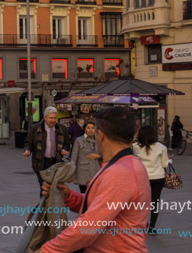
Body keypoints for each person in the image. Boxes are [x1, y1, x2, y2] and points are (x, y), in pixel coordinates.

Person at [37, 106, 150, 253]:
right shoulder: (125, 164)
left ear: (101, 135)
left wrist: (46, 251)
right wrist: (69, 196)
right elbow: (99, 205)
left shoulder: (120, 172)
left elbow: (88, 227)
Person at [23, 106, 71, 194]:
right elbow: (28, 143)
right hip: (41, 162)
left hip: (56, 162)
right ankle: (42, 207)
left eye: (54, 118)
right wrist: (27, 150)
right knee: (44, 188)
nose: (53, 120)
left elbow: (67, 143)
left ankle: (44, 207)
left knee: (54, 189)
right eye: (50, 118)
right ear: (45, 117)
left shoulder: (62, 128)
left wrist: (65, 149)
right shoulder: (35, 128)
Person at [132, 124, 170, 234]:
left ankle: (144, 224)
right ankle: (152, 227)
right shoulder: (161, 147)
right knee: (155, 201)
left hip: (141, 178)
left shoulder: (135, 147)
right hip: (157, 177)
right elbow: (164, 164)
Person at [69, 121, 100, 193]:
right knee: (84, 196)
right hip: (83, 173)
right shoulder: (79, 140)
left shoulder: (99, 140)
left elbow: (105, 154)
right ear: (84, 129)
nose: (91, 130)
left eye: (93, 128)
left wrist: (98, 156)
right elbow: (74, 157)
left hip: (96, 171)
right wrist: (72, 174)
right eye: (88, 128)